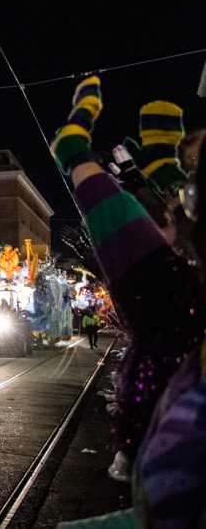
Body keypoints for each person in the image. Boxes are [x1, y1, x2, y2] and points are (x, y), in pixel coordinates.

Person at [51, 76, 206, 525]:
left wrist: (80, 148)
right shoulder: (175, 294)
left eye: (189, 200)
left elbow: (142, 262)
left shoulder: (175, 299)